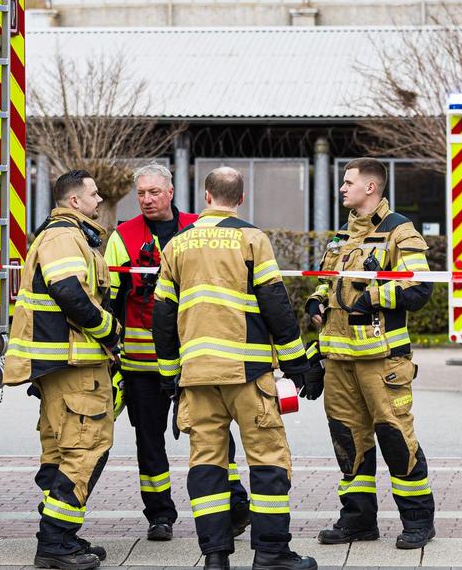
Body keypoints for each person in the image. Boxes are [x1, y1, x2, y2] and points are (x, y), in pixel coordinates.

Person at [152, 166, 324, 570]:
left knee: (207, 465)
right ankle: (271, 553)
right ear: (240, 200)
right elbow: (276, 305)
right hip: (247, 374)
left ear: (206, 197)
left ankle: (215, 557)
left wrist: (167, 374)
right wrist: (298, 365)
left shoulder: (177, 245)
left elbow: (162, 316)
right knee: (268, 462)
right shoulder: (252, 239)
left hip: (195, 376)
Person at [105, 163, 252, 542]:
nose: (147, 200)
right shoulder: (122, 237)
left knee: (215, 434)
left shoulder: (197, 227)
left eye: (154, 192)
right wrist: (110, 347)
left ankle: (235, 506)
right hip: (141, 362)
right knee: (148, 441)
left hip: (194, 356)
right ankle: (159, 515)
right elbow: (112, 299)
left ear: (170, 192)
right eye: (141, 193)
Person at [305, 158, 437, 550]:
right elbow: (329, 284)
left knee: (396, 439)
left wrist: (372, 297)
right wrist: (315, 301)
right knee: (349, 443)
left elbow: (420, 287)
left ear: (371, 188)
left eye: (349, 183)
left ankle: (418, 521)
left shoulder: (400, 231)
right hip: (339, 362)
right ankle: (358, 521)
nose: (342, 188)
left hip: (382, 361)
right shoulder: (342, 236)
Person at [3, 170, 120, 570]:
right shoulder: (65, 236)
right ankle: (55, 543)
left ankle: (61, 535)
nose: (99, 198)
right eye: (93, 193)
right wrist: (107, 328)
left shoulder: (65, 234)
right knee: (85, 449)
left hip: (66, 363)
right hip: (74, 364)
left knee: (64, 449)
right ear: (74, 201)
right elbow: (68, 290)